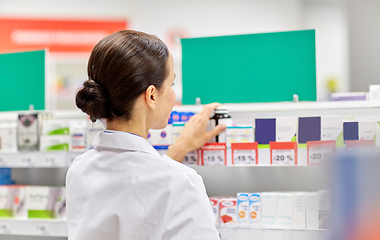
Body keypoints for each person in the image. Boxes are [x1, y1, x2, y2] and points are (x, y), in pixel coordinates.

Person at [66, 30, 227, 240]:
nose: (173, 96)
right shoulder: (181, 182)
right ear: (151, 95)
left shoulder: (79, 169)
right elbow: (150, 183)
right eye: (172, 84)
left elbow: (136, 186)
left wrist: (178, 151)